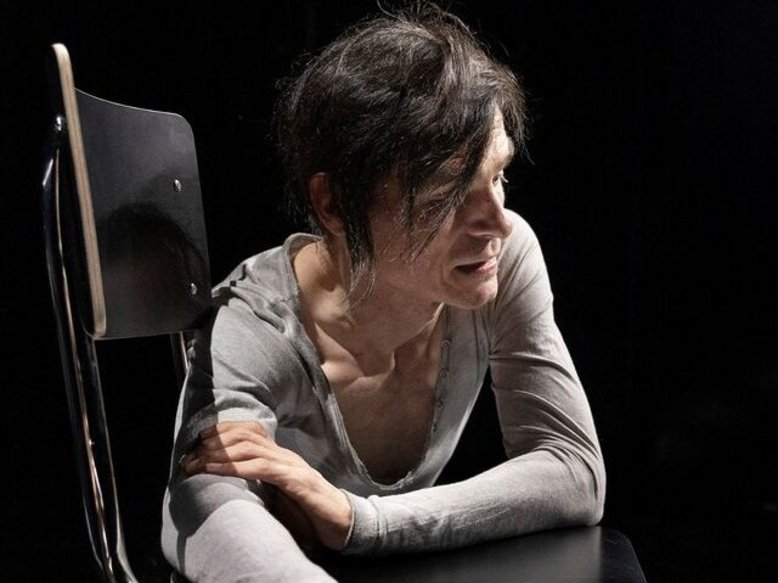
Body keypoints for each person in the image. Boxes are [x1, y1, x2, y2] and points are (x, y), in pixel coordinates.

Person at [161, 4, 605, 581]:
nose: (498, 223)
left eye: (498, 176)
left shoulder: (505, 255)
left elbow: (573, 470)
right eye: (448, 195)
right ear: (334, 204)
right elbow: (201, 509)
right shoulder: (256, 324)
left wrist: (361, 521)